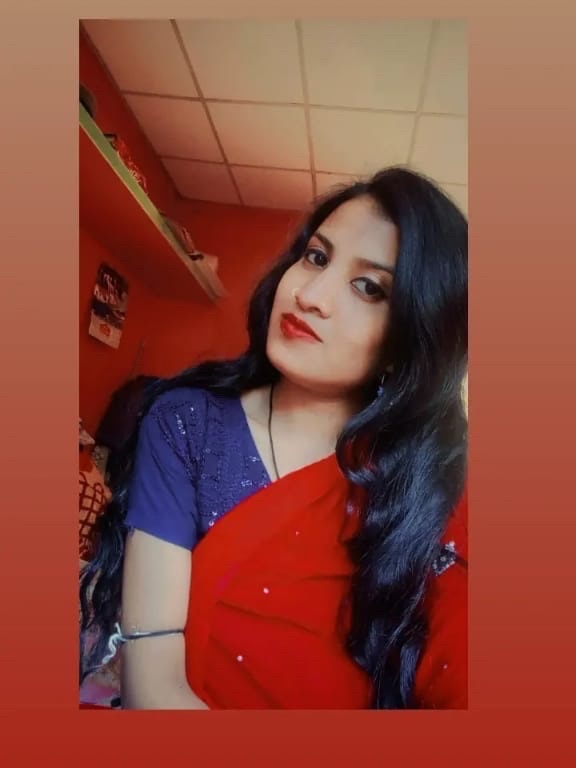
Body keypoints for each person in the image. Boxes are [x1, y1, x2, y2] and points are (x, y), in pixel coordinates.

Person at [80, 166, 468, 710]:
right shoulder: (188, 423)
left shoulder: (423, 490)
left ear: (409, 342)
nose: (310, 295)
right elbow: (153, 677)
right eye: (316, 257)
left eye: (369, 287)